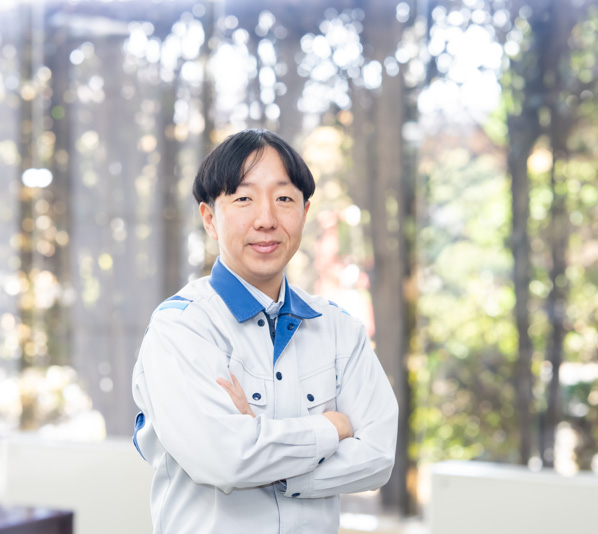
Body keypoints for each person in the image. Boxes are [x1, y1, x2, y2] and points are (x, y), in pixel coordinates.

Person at [131, 129, 398, 534]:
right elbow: (223, 459)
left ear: (304, 212)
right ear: (209, 218)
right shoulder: (182, 328)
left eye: (284, 199)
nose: (267, 219)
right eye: (244, 199)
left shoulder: (340, 329)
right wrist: (333, 428)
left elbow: (377, 458)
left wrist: (269, 463)